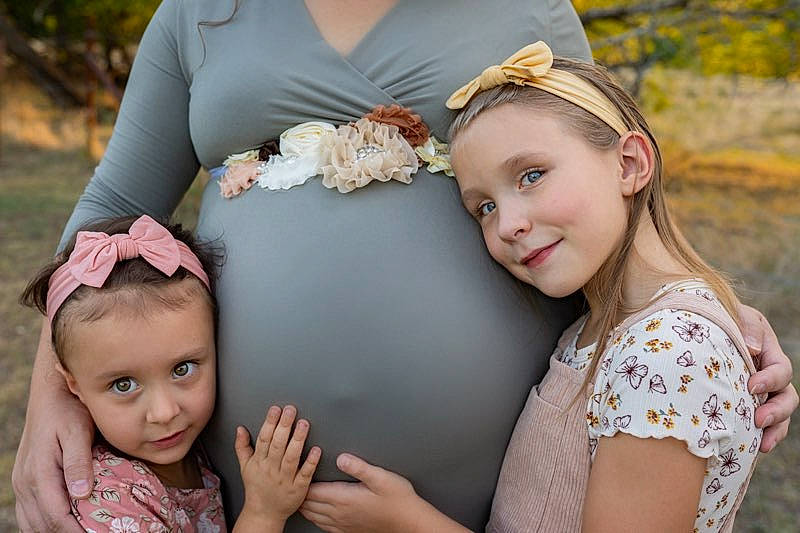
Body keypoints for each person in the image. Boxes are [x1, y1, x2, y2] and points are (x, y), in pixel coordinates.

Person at [12, 2, 797, 532]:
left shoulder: (527, 10)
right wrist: (55, 389)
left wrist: (701, 311)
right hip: (256, 492)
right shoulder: (200, 11)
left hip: (481, 498)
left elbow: (599, 167)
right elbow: (117, 199)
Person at [294, 42, 777, 532]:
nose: (507, 225)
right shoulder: (594, 330)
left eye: (531, 175)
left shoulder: (668, 352)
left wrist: (409, 522)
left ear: (629, 165)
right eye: (484, 207)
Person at [20, 215, 321, 532]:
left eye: (182, 369)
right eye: (124, 385)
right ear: (73, 384)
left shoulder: (197, 448)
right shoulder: (107, 500)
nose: (164, 413)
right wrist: (264, 512)